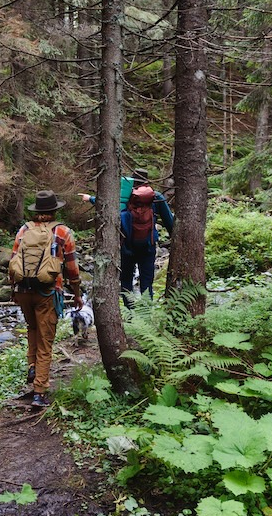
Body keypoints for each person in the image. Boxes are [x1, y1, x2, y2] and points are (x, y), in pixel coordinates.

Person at [9, 190, 83, 407]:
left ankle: (32, 366)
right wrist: (76, 295)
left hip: (23, 291)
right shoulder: (63, 232)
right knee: (46, 341)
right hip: (48, 292)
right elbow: (72, 269)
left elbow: (13, 262)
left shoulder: (23, 230)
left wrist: (14, 290)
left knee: (32, 329)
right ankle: (39, 391)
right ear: (54, 210)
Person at [80, 168, 174, 300]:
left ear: (132, 180)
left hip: (127, 247)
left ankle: (129, 315)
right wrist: (174, 240)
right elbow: (170, 222)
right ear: (147, 181)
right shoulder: (156, 197)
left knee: (126, 283)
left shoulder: (125, 196)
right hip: (148, 246)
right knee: (147, 284)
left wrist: (90, 198)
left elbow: (106, 203)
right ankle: (146, 315)